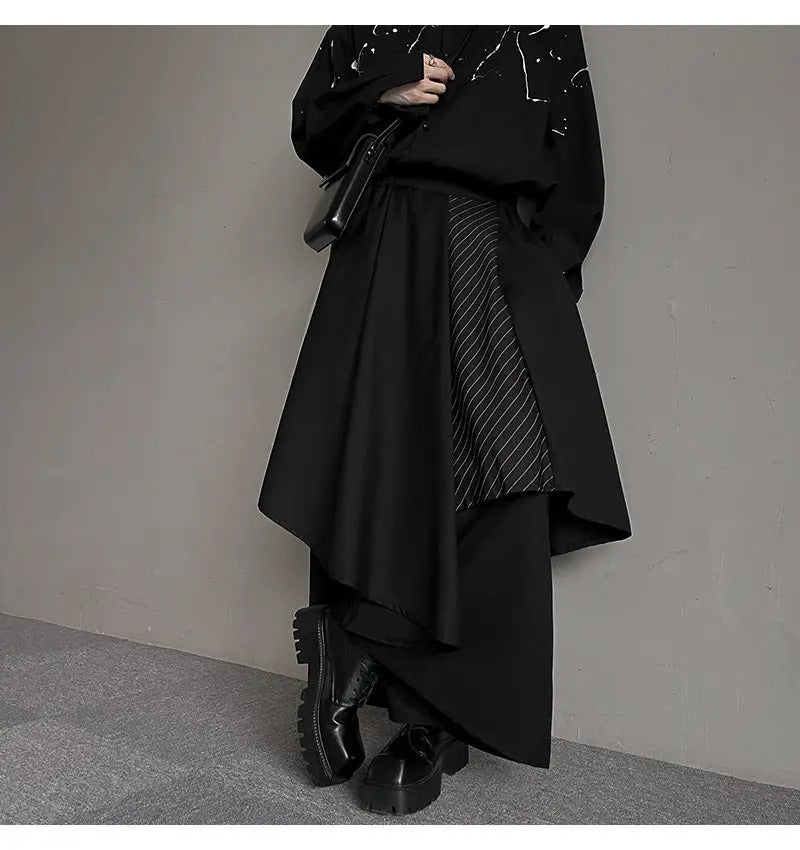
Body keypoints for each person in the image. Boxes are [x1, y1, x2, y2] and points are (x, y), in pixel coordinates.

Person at [258, 24, 632, 816]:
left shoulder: (545, 25)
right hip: (387, 241)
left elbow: (576, 166)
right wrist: (382, 89)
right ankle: (397, 692)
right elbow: (312, 124)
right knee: (386, 457)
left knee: (504, 467)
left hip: (494, 243)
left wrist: (543, 271)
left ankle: (383, 670)